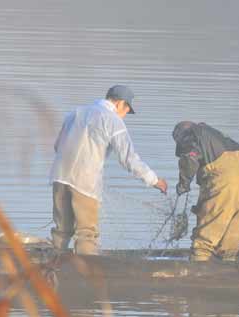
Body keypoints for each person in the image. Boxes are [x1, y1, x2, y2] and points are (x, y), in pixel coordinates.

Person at [49, 85, 167, 254]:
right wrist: (154, 180)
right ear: (120, 104)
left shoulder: (76, 113)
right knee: (86, 233)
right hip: (85, 182)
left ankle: (53, 267)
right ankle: (85, 272)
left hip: (59, 176)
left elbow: (57, 146)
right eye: (127, 110)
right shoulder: (112, 120)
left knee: (61, 229)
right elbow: (129, 159)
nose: (125, 115)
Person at [172, 121, 239, 262]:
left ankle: (196, 275)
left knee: (203, 242)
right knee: (229, 244)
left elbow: (190, 157)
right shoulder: (215, 136)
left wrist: (183, 184)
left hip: (224, 182)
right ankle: (225, 274)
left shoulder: (190, 134)